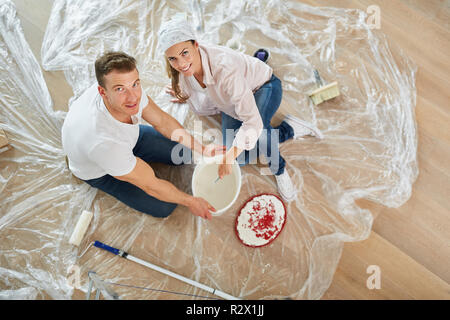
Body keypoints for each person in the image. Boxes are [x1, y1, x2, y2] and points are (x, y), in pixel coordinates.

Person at [158, 17, 323, 202]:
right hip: (233, 102)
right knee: (240, 158)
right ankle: (288, 128)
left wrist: (228, 156)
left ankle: (279, 168)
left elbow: (252, 121)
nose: (181, 64)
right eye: (173, 58)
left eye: (185, 53)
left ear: (196, 44)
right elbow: (195, 85)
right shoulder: (183, 72)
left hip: (262, 87)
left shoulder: (224, 68)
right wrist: (185, 92)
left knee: (260, 134)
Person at [62, 51, 225, 220]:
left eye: (135, 84)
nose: (133, 97)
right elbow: (151, 186)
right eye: (120, 89)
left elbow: (162, 121)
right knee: (164, 206)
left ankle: (130, 159)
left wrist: (203, 149)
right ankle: (119, 166)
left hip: (127, 139)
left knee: (183, 151)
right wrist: (191, 201)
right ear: (102, 92)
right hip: (100, 169)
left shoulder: (127, 94)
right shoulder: (105, 145)